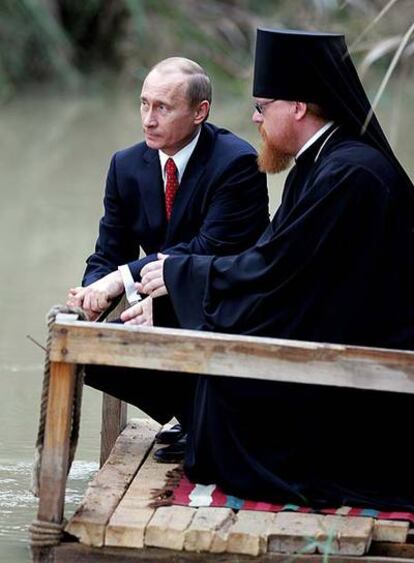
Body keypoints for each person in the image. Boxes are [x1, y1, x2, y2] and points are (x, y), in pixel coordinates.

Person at [137, 29, 414, 509]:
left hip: (370, 377)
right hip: (334, 331)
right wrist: (186, 279)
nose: (254, 118)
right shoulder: (320, 163)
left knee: (224, 382)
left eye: (262, 106)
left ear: (299, 107)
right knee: (182, 327)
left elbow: (281, 274)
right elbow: (279, 263)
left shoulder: (350, 173)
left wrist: (185, 277)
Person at [67, 57, 269, 462]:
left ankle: (213, 421)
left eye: (162, 107)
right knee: (88, 349)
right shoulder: (125, 166)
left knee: (167, 310)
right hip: (161, 294)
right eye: (144, 104)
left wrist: (123, 281)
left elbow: (208, 247)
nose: (148, 119)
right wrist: (93, 293)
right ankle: (194, 415)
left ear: (200, 112)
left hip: (229, 299)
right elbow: (109, 250)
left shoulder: (236, 162)